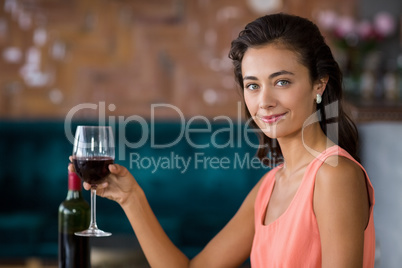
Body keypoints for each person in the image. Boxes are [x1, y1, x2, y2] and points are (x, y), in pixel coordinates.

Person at [69, 13, 375, 267]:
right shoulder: (270, 186)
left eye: (282, 82)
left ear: (318, 84)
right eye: (252, 85)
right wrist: (130, 198)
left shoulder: (334, 175)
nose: (264, 101)